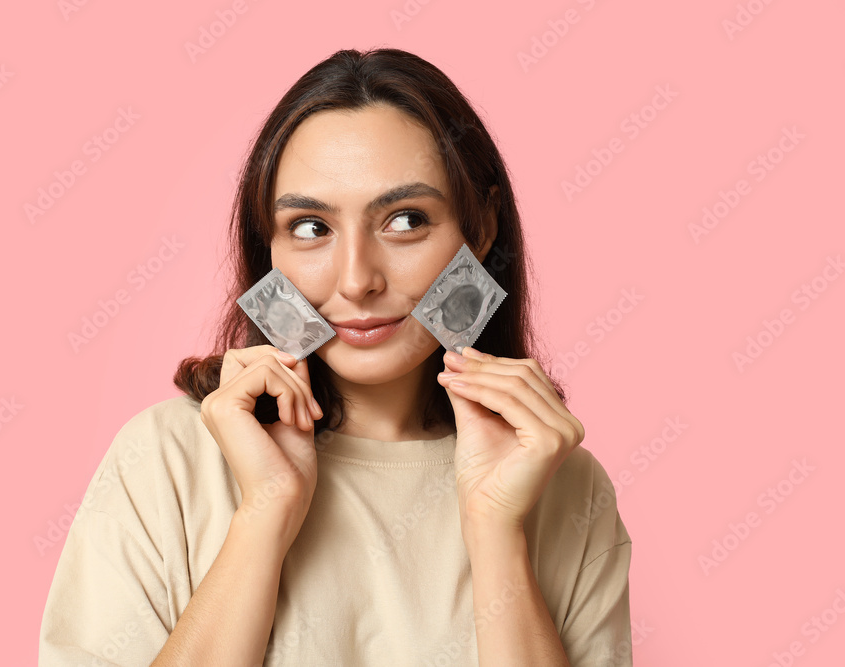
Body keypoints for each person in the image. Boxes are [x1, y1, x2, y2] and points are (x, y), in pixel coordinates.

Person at [39, 47, 633, 666]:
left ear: (480, 228)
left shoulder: (562, 485)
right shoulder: (164, 460)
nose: (356, 281)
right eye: (311, 228)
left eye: (405, 220)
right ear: (268, 247)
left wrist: (497, 530)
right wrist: (265, 511)